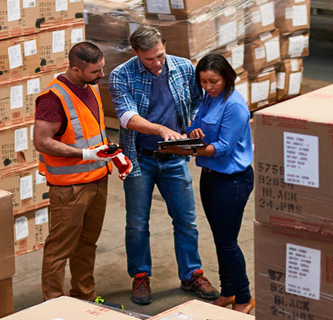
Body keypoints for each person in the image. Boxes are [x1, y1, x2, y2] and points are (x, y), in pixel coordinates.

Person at [109, 25, 216, 305]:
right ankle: (141, 276)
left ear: (164, 46)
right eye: (149, 59)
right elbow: (126, 115)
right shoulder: (122, 75)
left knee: (186, 221)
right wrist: (160, 130)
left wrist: (193, 127)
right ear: (136, 54)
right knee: (136, 223)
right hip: (140, 158)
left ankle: (192, 274)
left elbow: (196, 103)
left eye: (160, 55)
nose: (157, 63)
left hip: (175, 159)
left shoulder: (183, 67)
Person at [33, 41, 115, 301]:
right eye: (95, 72)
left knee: (87, 245)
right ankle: (54, 305)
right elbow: (42, 141)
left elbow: (91, 131)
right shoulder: (53, 98)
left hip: (98, 180)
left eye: (102, 69)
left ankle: (84, 297)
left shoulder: (92, 87)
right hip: (70, 188)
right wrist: (84, 154)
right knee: (60, 249)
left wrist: (110, 154)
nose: (101, 76)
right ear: (76, 70)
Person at [176, 53, 255, 313]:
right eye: (204, 82)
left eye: (214, 81)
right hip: (210, 177)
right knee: (220, 237)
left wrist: (191, 151)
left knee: (228, 241)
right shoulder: (210, 100)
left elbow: (223, 146)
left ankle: (244, 297)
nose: (208, 87)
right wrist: (192, 133)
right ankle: (228, 290)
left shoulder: (235, 105)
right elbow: (196, 126)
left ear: (227, 77)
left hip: (232, 181)